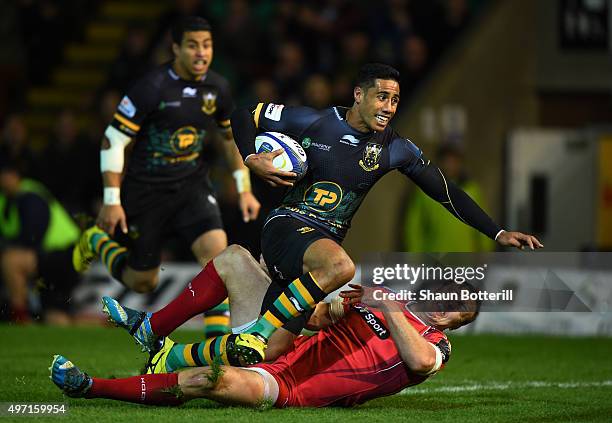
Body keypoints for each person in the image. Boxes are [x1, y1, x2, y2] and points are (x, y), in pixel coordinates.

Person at [219, 62, 542, 365]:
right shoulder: (315, 121)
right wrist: (250, 157)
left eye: (396, 100)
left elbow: (445, 190)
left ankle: (175, 360)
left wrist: (497, 232)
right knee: (341, 266)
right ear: (359, 95)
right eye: (382, 97)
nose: (389, 107)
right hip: (288, 226)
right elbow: (244, 115)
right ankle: (254, 319)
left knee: (270, 352)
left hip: (318, 249)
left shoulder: (395, 148)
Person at [50, 244, 479, 408]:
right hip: (279, 345)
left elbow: (420, 363)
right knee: (236, 259)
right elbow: (314, 318)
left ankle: (90, 386)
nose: (447, 307)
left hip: (289, 387)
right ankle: (154, 330)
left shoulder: (435, 344)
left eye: (460, 310)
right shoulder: (383, 299)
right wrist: (312, 299)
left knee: (211, 381)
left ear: (456, 324)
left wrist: (386, 307)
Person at [72, 17, 260, 335]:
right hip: (147, 192)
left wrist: (244, 188)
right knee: (143, 282)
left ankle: (215, 356)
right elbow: (113, 140)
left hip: (193, 187)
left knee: (218, 259)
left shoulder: (218, 88)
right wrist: (111, 199)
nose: (201, 53)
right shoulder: (151, 87)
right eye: (192, 45)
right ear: (175, 48)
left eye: (207, 45)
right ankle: (96, 240)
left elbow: (230, 139)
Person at [0, 149, 80, 324]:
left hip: (65, 256)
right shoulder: (5, 199)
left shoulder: (30, 196)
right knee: (54, 317)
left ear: (14, 175)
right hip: (48, 258)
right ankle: (99, 325)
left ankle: (20, 318)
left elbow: (31, 238)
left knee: (10, 260)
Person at [403, 143, 495, 252]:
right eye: (446, 160)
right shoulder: (424, 189)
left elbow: (483, 221)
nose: (449, 165)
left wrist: (486, 251)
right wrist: (414, 255)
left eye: (453, 161)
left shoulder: (472, 190)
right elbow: (414, 226)